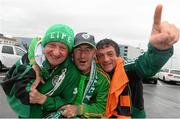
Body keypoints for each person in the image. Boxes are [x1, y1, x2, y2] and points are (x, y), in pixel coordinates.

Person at [96, 4, 179, 118]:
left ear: (118, 55)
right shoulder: (96, 73)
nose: (105, 59)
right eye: (100, 55)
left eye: (110, 54)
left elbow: (147, 65)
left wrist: (159, 50)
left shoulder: (128, 68)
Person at [1, 24, 81, 118]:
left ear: (68, 52)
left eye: (63, 48)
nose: (56, 53)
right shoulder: (28, 62)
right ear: (44, 46)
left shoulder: (72, 72)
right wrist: (33, 67)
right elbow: (10, 87)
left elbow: (67, 102)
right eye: (52, 45)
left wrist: (43, 99)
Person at [60, 32, 110, 118]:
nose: (82, 55)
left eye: (88, 50)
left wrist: (79, 109)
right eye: (78, 49)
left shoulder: (103, 78)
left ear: (94, 53)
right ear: (72, 52)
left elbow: (102, 108)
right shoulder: (63, 68)